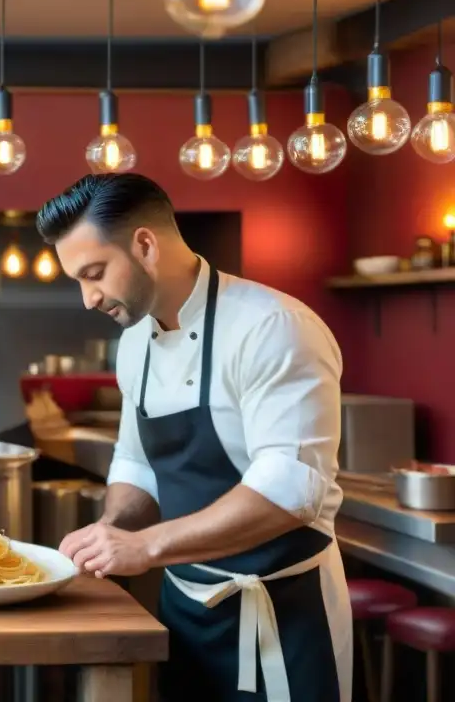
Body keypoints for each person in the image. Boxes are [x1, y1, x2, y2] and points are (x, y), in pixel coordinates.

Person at [37, 173, 351, 702]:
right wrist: (110, 533)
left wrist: (145, 545)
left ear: (144, 245)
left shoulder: (273, 326)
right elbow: (136, 460)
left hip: (282, 612)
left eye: (94, 274)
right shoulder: (134, 341)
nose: (88, 298)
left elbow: (289, 492)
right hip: (184, 609)